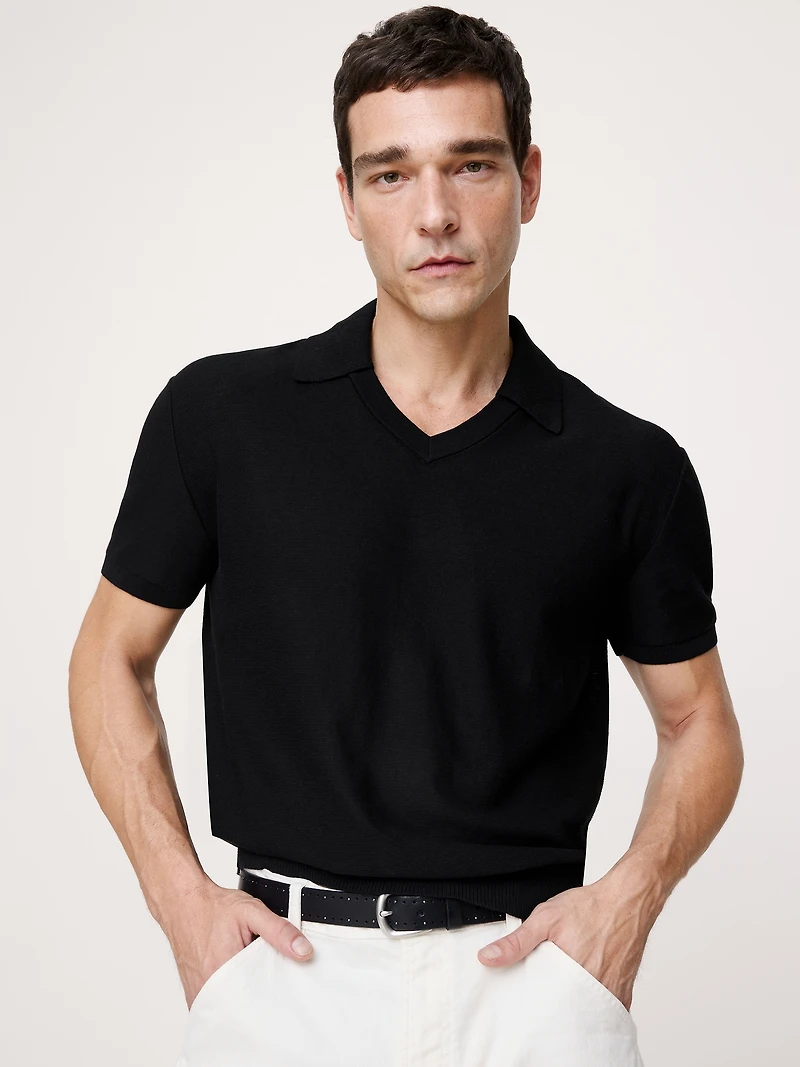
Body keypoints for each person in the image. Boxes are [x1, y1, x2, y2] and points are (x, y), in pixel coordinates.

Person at [69, 6, 744, 1066]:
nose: (434, 213)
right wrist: (178, 898)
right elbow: (107, 655)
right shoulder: (221, 419)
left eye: (470, 165)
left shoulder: (627, 465)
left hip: (530, 988)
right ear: (347, 200)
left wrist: (628, 901)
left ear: (527, 180)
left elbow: (699, 718)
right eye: (390, 174)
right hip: (282, 981)